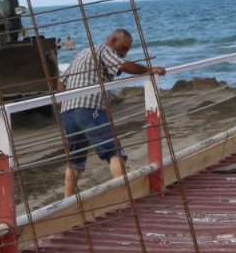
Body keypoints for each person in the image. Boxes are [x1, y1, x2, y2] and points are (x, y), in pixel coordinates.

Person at [58, 29, 165, 197]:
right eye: (123, 48)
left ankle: (67, 199)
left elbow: (61, 82)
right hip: (89, 108)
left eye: (127, 50)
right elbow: (122, 65)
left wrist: (69, 101)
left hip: (67, 112)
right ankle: (125, 196)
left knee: (75, 160)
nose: (124, 53)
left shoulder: (84, 52)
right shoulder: (104, 50)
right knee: (115, 152)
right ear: (113, 40)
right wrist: (149, 70)